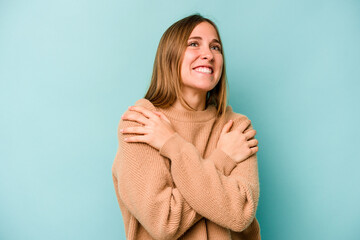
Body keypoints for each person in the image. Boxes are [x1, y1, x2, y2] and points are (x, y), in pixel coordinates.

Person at [112, 14, 261, 240]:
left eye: (216, 47)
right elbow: (165, 221)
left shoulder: (236, 127)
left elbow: (240, 213)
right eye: (194, 44)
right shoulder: (143, 121)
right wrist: (222, 158)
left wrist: (171, 145)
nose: (208, 55)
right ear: (170, 55)